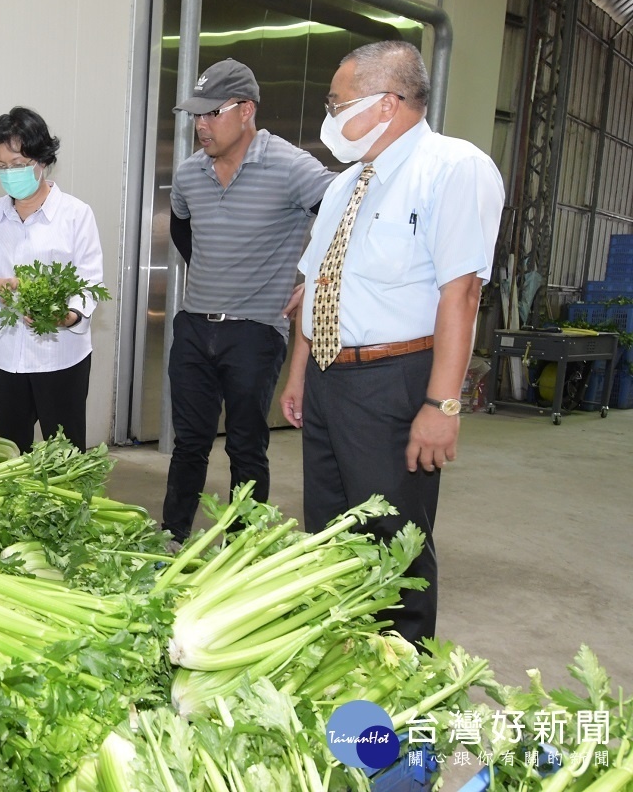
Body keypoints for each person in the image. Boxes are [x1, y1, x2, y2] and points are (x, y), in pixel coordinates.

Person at [279, 41, 505, 645]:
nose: (329, 116)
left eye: (337, 102)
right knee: (331, 535)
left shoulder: (453, 168)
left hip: (394, 381)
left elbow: (461, 295)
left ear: (386, 104)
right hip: (330, 379)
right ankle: (345, 661)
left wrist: (442, 405)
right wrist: (300, 375)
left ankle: (403, 679)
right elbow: (316, 286)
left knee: (393, 541)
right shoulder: (344, 186)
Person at [162, 58, 335, 543]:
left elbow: (345, 217)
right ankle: (171, 533)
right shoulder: (190, 174)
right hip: (195, 325)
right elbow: (181, 227)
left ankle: (244, 544)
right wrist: (214, 272)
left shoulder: (291, 167)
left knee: (245, 444)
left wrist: (318, 278)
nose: (201, 125)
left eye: (212, 113)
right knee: (190, 442)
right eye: (195, 115)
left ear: (246, 110)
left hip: (255, 330)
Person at [0, 107, 103, 453]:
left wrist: (67, 315)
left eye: (20, 164)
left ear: (42, 159)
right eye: (2, 166)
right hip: (3, 352)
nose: (11, 174)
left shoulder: (74, 213)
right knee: (12, 450)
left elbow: (89, 279)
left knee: (65, 452)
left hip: (60, 355)